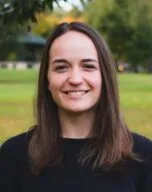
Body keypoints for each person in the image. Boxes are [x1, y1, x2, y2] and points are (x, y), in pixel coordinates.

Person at [0, 22, 152, 192]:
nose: (75, 79)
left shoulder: (143, 155)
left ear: (104, 77)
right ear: (47, 80)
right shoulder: (13, 156)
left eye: (88, 66)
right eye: (61, 67)